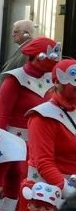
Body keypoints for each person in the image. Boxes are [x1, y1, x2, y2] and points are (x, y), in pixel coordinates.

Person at [0, 36, 60, 142]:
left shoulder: (53, 80)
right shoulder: (14, 79)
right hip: (16, 142)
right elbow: (2, 117)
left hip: (45, 140)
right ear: (38, 56)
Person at [27, 60, 76, 189]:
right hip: (48, 194)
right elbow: (44, 162)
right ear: (58, 83)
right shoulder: (43, 116)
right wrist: (68, 191)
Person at [0, 19, 36, 91]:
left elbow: (22, 76)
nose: (12, 35)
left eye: (16, 32)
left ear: (26, 34)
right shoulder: (24, 48)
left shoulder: (29, 50)